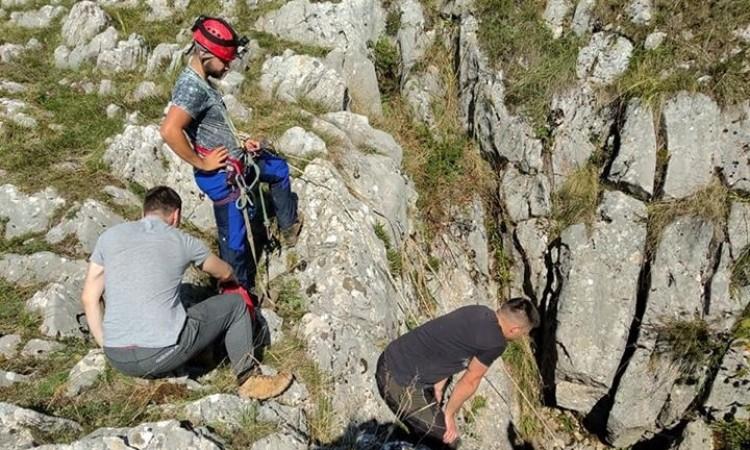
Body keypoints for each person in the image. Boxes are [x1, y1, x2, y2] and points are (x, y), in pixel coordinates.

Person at [80, 186, 292, 400]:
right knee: (235, 304)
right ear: (176, 215)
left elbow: (89, 298)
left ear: (144, 212)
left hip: (117, 357)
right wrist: (233, 281)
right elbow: (225, 271)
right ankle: (249, 378)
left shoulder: (109, 237)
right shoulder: (182, 240)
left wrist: (109, 346)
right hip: (160, 354)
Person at [159, 15, 302, 299]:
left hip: (237, 162)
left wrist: (240, 142)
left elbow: (210, 126)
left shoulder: (201, 82)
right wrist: (202, 162)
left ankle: (287, 227)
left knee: (278, 168)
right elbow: (169, 130)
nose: (227, 67)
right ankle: (241, 299)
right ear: (204, 53)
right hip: (223, 177)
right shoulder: (190, 88)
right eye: (224, 61)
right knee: (234, 243)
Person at [376, 299, 540, 448]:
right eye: (524, 333)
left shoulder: (478, 311)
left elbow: (447, 346)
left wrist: (438, 388)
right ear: (515, 329)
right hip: (398, 380)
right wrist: (449, 415)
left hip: (391, 358)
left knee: (431, 426)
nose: (523, 337)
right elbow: (471, 380)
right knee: (448, 442)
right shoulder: (496, 342)